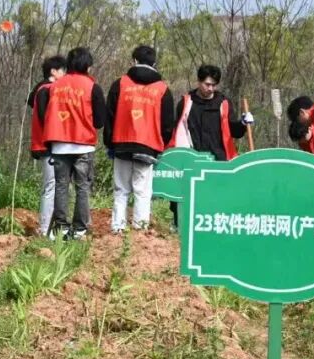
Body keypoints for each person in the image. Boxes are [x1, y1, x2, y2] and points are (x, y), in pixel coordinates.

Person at [166, 64, 253, 227]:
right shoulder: (186, 102)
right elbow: (176, 130)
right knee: (187, 196)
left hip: (218, 159)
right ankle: (181, 226)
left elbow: (234, 131)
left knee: (217, 199)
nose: (211, 88)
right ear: (198, 82)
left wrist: (242, 123)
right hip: (192, 158)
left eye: (214, 85)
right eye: (207, 84)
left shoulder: (223, 103)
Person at [104, 45, 175, 232]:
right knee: (142, 191)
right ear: (154, 63)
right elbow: (168, 124)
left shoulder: (120, 84)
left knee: (121, 189)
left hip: (121, 143)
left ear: (134, 61)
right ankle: (140, 230)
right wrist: (160, 146)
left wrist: (109, 143)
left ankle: (117, 228)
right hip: (148, 146)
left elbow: (109, 116)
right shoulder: (162, 89)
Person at [41, 48, 106, 240]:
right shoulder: (92, 87)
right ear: (87, 65)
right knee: (82, 187)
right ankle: (79, 229)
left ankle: (60, 227)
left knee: (61, 186)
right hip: (83, 144)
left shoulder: (55, 86)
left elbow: (45, 114)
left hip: (59, 144)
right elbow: (99, 122)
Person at [27, 55, 66, 237]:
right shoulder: (46, 91)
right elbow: (47, 119)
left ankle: (50, 227)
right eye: (63, 70)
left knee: (53, 186)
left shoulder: (40, 89)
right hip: (49, 145)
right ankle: (45, 229)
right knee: (51, 186)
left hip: (45, 144)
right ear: (53, 71)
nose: (64, 74)